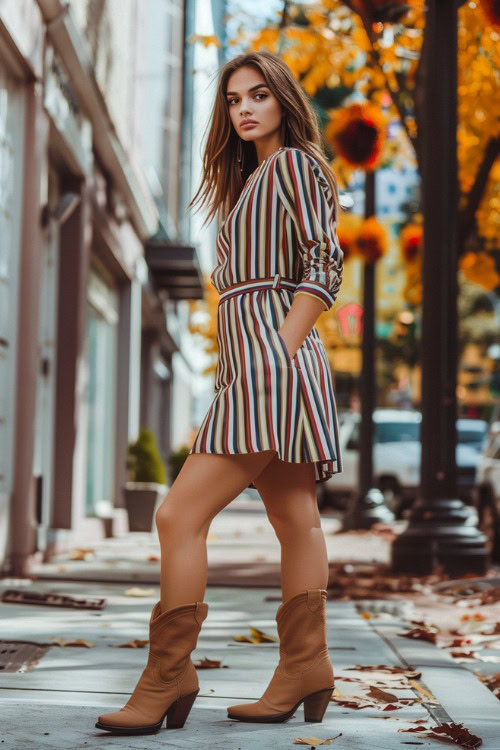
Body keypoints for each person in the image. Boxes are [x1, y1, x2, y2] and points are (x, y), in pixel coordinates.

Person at [95, 49, 344, 735]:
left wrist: (273, 352)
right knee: (297, 518)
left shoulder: (292, 166)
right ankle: (305, 666)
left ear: (283, 101)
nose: (244, 108)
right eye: (234, 99)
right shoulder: (254, 179)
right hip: (261, 367)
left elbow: (325, 264)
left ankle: (168, 674)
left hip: (273, 365)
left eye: (259, 95)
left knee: (178, 517)